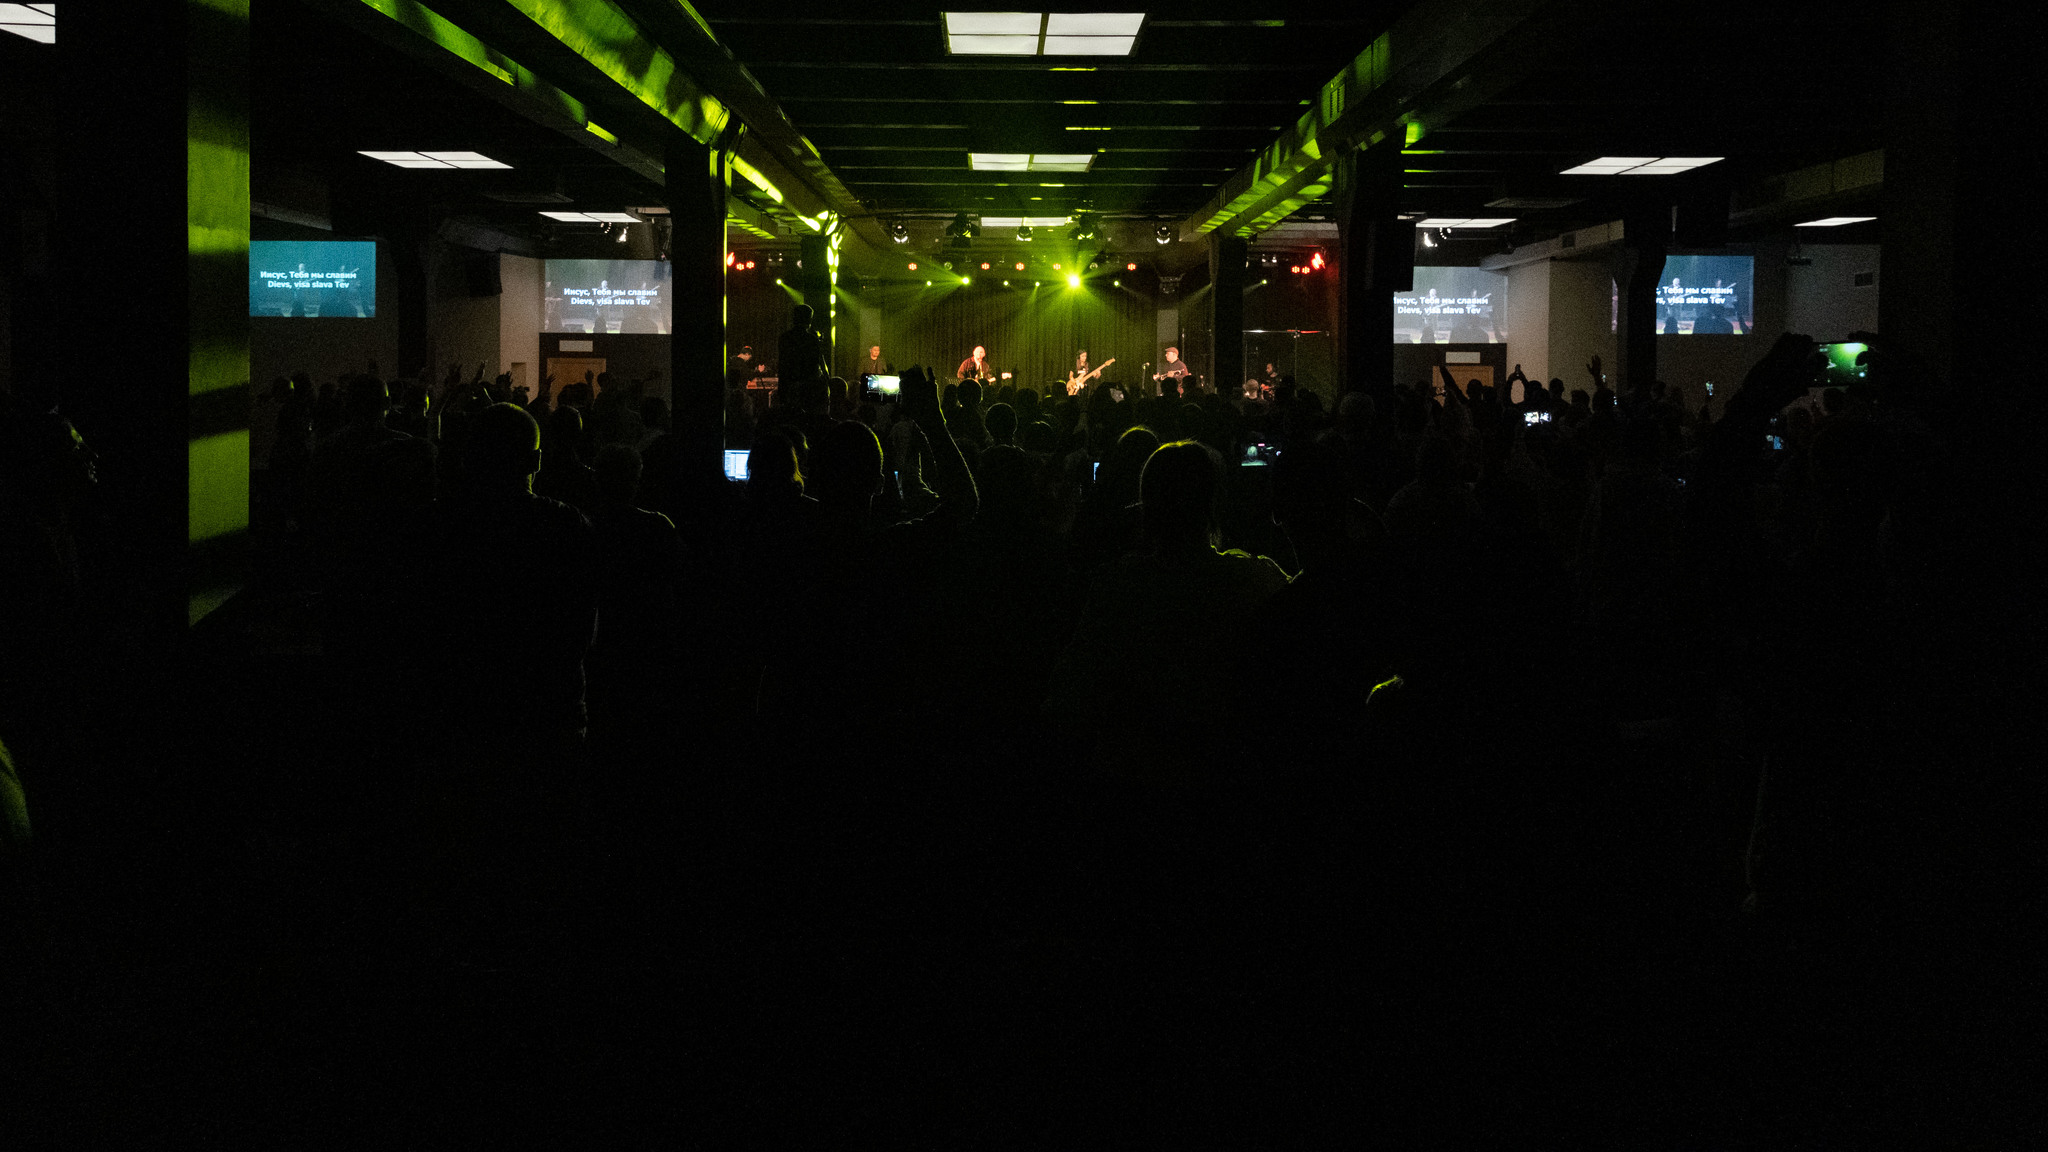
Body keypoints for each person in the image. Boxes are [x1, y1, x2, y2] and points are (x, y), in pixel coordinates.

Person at [778, 305, 827, 386]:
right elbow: (817, 363)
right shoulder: (811, 339)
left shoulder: (784, 337)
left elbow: (783, 364)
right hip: (807, 385)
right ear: (808, 319)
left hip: (788, 384)